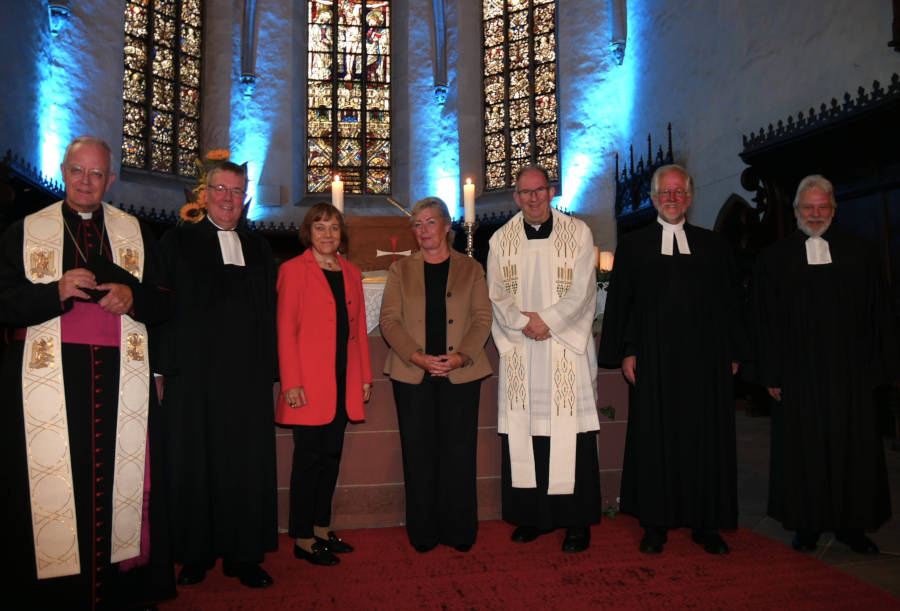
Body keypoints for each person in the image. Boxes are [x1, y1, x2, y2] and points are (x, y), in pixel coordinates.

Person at [0, 136, 175, 608]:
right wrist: (52, 291)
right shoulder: (23, 230)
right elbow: (4, 302)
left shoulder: (137, 232)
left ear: (110, 180)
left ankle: (121, 590)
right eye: (77, 171)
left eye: (96, 174)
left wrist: (134, 298)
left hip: (124, 382)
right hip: (51, 384)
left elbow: (165, 301)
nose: (85, 181)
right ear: (62, 170)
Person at [598, 164, 745, 555]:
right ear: (653, 198)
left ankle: (705, 522)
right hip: (653, 360)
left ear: (690, 198)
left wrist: (732, 351)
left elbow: (730, 303)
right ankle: (655, 522)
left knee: (706, 438)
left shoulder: (713, 245)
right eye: (666, 192)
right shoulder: (635, 245)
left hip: (706, 361)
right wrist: (627, 350)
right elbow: (623, 304)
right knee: (654, 438)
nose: (673, 198)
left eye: (680, 192)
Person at [753, 175, 899, 554]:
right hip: (799, 375)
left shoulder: (861, 252)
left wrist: (880, 367)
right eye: (808, 208)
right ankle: (807, 524)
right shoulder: (774, 258)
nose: (815, 215)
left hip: (852, 374)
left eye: (823, 208)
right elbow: (763, 319)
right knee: (805, 451)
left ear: (834, 210)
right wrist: (770, 372)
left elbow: (879, 312)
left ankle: (853, 526)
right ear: (796, 211)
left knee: (856, 450)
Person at [156, 160, 278, 588]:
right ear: (205, 194)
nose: (228, 198)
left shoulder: (260, 248)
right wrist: (161, 369)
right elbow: (162, 311)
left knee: (245, 466)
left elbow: (270, 316)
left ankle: (244, 557)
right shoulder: (178, 241)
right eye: (221, 189)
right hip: (193, 377)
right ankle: (195, 554)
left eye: (237, 191)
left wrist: (271, 373)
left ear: (246, 197)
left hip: (246, 381)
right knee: (194, 463)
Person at [487, 166, 601, 553]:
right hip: (522, 349)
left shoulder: (578, 234)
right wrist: (524, 324)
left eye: (540, 191)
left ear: (550, 192)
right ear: (516, 197)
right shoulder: (501, 241)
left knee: (572, 437)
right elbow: (496, 293)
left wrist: (549, 322)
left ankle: (576, 522)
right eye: (525, 193)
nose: (533, 198)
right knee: (527, 434)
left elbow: (585, 289)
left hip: (564, 349)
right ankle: (531, 517)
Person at [380, 197, 493, 553]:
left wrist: (460, 357)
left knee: (459, 453)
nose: (424, 230)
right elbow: (389, 321)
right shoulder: (401, 270)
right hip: (413, 374)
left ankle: (459, 531)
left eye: (431, 222)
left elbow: (482, 319)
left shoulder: (471, 268)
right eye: (417, 224)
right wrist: (417, 357)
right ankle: (423, 532)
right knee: (419, 453)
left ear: (447, 227)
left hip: (460, 373)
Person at [276, 203, 372, 566]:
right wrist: (291, 382)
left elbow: (358, 328)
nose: (328, 234)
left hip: (344, 378)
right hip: (308, 383)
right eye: (320, 227)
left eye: (334, 227)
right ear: (308, 232)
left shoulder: (350, 271)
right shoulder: (292, 270)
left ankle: (320, 527)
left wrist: (363, 376)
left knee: (331, 458)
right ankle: (301, 536)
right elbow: (285, 330)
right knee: (308, 461)